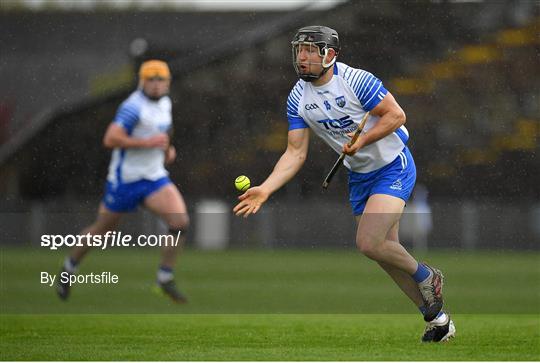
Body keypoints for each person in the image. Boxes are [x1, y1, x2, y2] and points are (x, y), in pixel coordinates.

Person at [233, 26, 455, 342]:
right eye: (300, 50)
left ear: (330, 55)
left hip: (393, 166)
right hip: (360, 177)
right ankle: (438, 320)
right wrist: (267, 188)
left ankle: (427, 276)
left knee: (368, 243)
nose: (303, 56)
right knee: (384, 254)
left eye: (311, 50)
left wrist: (363, 139)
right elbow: (295, 153)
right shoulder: (297, 97)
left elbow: (396, 116)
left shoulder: (356, 81)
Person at [56, 60, 189, 303]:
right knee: (102, 231)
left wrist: (168, 149)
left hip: (154, 177)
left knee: (179, 221)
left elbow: (164, 132)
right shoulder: (133, 107)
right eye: (151, 79)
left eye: (161, 80)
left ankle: (164, 278)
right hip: (125, 180)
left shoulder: (165, 103)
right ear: (142, 81)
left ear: (168, 83)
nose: (157, 85)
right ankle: (69, 268)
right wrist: (146, 144)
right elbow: (111, 138)